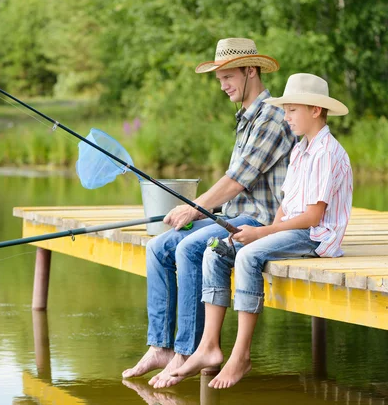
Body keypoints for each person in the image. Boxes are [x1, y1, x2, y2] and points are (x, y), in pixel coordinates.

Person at [122, 38, 295, 389]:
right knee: (158, 247)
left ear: (251, 71)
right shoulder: (247, 118)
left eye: (228, 76)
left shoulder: (274, 117)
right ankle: (160, 347)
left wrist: (195, 208)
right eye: (218, 79)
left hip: (259, 222)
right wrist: (202, 211)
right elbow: (232, 189)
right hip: (234, 215)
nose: (222, 85)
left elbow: (237, 179)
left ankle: (188, 351)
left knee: (188, 248)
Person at [171, 73, 353, 389]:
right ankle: (209, 346)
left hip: (316, 236)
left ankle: (241, 355)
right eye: (285, 110)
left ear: (315, 110)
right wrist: (268, 229)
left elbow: (312, 216)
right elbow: (287, 204)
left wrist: (261, 233)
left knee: (248, 257)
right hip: (291, 227)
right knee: (217, 248)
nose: (286, 117)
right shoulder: (300, 150)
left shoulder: (327, 152)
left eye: (292, 110)